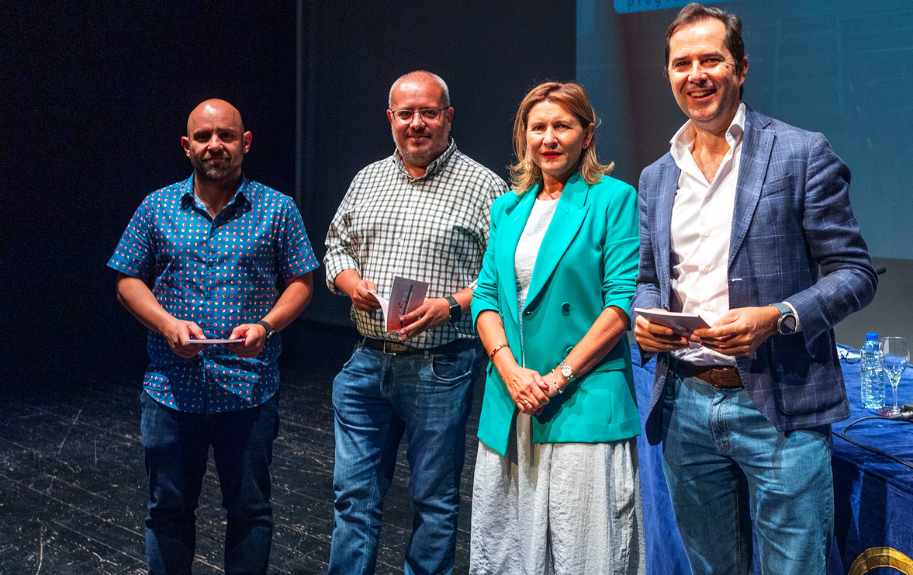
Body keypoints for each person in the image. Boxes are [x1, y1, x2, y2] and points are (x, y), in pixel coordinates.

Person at [631, 4, 877, 575]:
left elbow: (855, 274)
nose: (696, 74)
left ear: (740, 67)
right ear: (669, 74)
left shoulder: (799, 152)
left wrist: (780, 316)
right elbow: (648, 279)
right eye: (682, 63)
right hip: (685, 403)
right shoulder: (656, 175)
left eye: (711, 60)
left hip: (779, 405)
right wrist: (646, 317)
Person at [108, 99, 318, 574]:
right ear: (187, 146)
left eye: (225, 135)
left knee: (249, 512)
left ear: (245, 143)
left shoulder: (277, 209)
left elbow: (302, 283)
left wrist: (266, 326)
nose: (214, 145)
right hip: (170, 390)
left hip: (248, 390)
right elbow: (126, 279)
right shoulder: (156, 206)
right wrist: (166, 323)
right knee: (167, 512)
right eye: (203, 137)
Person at [323, 70, 508, 575]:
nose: (417, 124)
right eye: (406, 114)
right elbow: (336, 246)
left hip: (439, 366)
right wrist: (349, 283)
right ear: (391, 119)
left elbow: (503, 275)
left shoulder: (486, 186)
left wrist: (451, 304)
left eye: (429, 113)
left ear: (448, 117)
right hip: (366, 363)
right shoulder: (368, 179)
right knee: (353, 501)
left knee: (434, 503)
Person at [469, 82, 645, 575]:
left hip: (580, 400)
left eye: (562, 126)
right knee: (505, 550)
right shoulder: (507, 207)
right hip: (512, 400)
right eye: (538, 126)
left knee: (583, 554)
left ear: (587, 134)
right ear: (524, 135)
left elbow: (620, 304)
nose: (549, 137)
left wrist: (558, 378)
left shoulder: (613, 199)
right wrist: (510, 372)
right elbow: (485, 296)